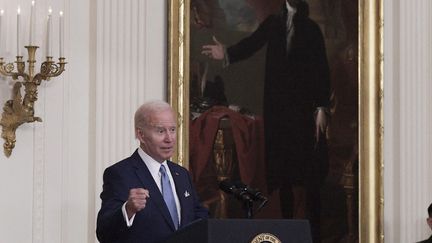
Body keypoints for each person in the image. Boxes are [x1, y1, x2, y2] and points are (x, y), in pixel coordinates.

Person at [202, 0, 330, 242]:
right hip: (279, 114)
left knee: (309, 175)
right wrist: (226, 53)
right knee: (283, 176)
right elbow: (251, 45)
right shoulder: (274, 23)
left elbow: (322, 69)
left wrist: (322, 106)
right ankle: (289, 231)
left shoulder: (311, 29)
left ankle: (314, 235)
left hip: (304, 113)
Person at [96, 100, 209, 243]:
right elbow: (104, 233)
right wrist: (128, 210)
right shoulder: (120, 174)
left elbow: (198, 217)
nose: (169, 139)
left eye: (172, 130)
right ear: (141, 135)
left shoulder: (181, 174)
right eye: (161, 131)